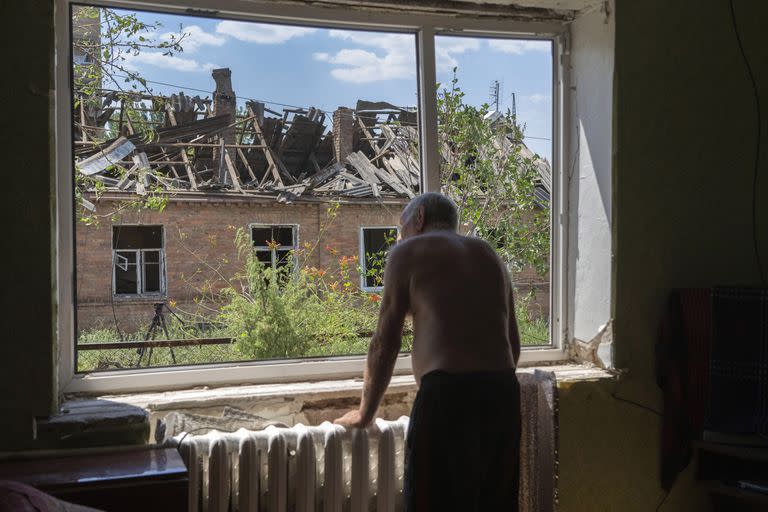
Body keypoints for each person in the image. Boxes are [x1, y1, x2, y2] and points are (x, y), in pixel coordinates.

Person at [334, 192, 522, 511]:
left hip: (447, 397)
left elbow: (385, 341)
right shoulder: (489, 254)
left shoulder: (408, 251)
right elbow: (512, 344)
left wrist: (365, 414)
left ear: (418, 218)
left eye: (401, 225)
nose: (399, 234)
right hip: (503, 395)